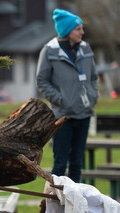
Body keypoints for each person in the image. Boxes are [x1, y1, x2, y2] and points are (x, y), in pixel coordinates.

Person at [36, 8, 99, 183]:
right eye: (78, 29)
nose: (82, 32)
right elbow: (42, 81)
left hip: (84, 114)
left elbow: (93, 77)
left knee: (77, 163)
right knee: (60, 164)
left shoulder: (85, 48)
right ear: (67, 31)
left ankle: (75, 204)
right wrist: (61, 100)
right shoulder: (49, 51)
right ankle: (56, 204)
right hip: (62, 116)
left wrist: (92, 97)